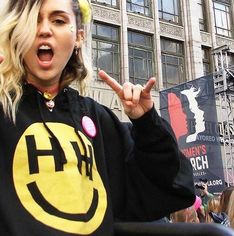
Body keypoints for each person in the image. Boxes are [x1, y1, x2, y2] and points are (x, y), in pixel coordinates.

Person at [0, 0, 195, 235]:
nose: (44, 29)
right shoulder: (4, 109)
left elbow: (162, 189)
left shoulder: (96, 118)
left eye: (59, 20)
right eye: (33, 20)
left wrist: (147, 124)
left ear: (79, 37)